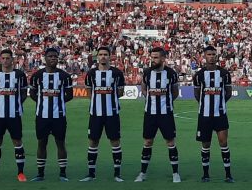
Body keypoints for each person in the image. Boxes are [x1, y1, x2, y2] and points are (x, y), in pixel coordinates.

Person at [135, 46, 181, 183]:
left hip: (166, 114)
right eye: (152, 57)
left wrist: (167, 102)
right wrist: (151, 99)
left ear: (163, 58)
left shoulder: (171, 73)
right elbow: (144, 89)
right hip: (150, 113)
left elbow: (175, 92)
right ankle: (142, 173)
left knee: (170, 142)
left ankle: (175, 173)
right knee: (148, 142)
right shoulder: (147, 73)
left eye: (156, 57)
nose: (153, 60)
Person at [80, 46, 126, 182]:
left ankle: (117, 174)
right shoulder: (91, 74)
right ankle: (91, 174)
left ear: (110, 56)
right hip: (96, 113)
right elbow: (89, 92)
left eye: (105, 54)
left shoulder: (117, 73)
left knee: (115, 141)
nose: (103, 57)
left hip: (112, 113)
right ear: (97, 57)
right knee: (93, 141)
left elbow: (120, 92)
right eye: (100, 54)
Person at [29, 47, 73, 182]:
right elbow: (33, 93)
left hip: (59, 116)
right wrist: (42, 101)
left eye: (55, 56)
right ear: (45, 58)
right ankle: (40, 174)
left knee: (60, 143)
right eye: (50, 56)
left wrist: (58, 102)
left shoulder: (65, 76)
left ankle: (63, 174)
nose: (53, 58)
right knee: (41, 143)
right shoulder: (37, 76)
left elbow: (69, 95)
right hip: (42, 116)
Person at [0, 49, 28, 182]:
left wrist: (16, 104)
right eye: (3, 58)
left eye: (8, 58)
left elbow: (23, 94)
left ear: (12, 60)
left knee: (17, 141)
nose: (5, 60)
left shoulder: (20, 75)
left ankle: (20, 173)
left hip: (14, 115)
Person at [193, 46, 234, 183]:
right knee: (205, 145)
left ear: (216, 56)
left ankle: (228, 175)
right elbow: (197, 94)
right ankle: (205, 174)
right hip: (204, 116)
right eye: (209, 54)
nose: (211, 56)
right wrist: (205, 104)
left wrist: (219, 104)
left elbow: (228, 93)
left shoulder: (224, 73)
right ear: (204, 56)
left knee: (223, 143)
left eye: (213, 54)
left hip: (220, 115)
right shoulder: (199, 75)